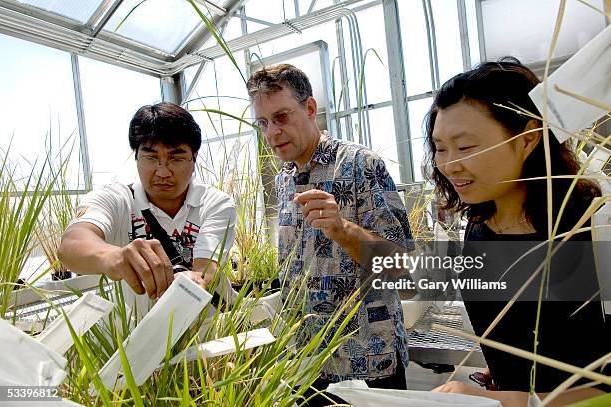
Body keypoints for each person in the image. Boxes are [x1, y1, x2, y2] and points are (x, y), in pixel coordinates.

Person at [424, 58, 609, 405]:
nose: (449, 164)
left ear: (527, 139)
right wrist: (502, 375)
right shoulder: (478, 229)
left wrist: (508, 400)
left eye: (465, 147)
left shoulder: (589, 226)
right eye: (440, 147)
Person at [246, 63, 415, 403]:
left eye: (281, 117)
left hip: (367, 365)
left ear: (310, 108)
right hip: (308, 364)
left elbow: (402, 269)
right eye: (262, 123)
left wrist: (342, 229)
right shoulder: (284, 179)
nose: (271, 132)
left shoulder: (361, 165)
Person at [58, 102, 236, 310]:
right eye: (151, 157)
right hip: (142, 332)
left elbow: (205, 268)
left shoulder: (214, 203)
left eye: (176, 158)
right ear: (136, 157)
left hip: (209, 330)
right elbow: (72, 244)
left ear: (194, 158)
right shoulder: (117, 198)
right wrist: (115, 256)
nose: (162, 172)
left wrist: (195, 279)